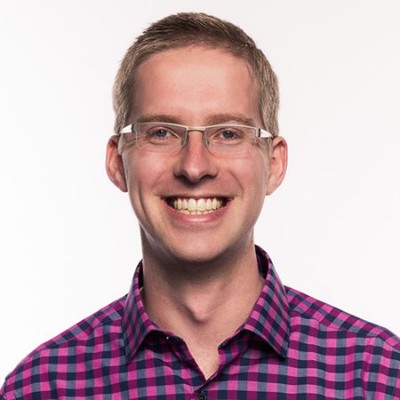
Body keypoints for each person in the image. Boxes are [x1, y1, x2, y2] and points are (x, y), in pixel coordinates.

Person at [1, 11, 399, 399]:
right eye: (161, 132)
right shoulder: (42, 387)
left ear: (274, 164)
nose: (194, 166)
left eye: (228, 133)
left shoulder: (377, 376)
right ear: (117, 162)